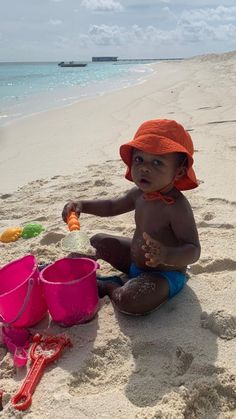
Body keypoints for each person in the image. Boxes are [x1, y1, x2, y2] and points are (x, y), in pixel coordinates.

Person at [62, 119, 201, 316]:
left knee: (131, 301)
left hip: (164, 274)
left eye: (157, 162)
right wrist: (82, 205)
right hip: (134, 262)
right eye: (139, 159)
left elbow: (194, 250)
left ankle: (110, 286)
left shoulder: (177, 207)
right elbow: (111, 206)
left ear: (178, 172)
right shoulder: (139, 194)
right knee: (98, 241)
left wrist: (166, 255)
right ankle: (87, 270)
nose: (144, 168)